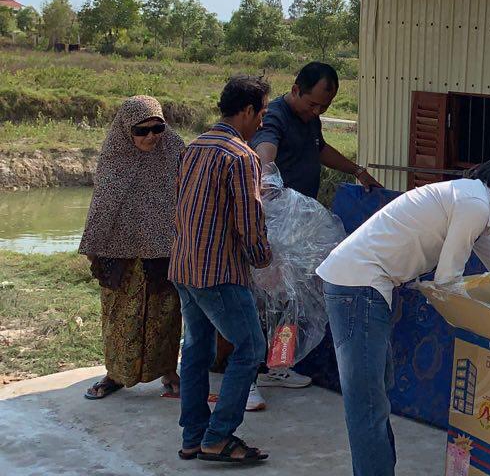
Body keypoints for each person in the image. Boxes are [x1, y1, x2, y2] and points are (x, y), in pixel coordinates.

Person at [315, 150, 490, 476]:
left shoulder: (471, 201)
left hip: (362, 286)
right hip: (358, 288)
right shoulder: (474, 205)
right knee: (367, 403)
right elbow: (447, 281)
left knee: (375, 395)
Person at [248, 61, 381, 391]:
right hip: (275, 230)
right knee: (269, 301)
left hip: (299, 233)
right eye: (312, 104)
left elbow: (319, 149)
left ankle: (279, 365)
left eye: (324, 106)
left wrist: (357, 170)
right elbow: (265, 149)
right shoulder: (276, 116)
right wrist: (266, 177)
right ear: (295, 90)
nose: (317, 111)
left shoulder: (309, 119)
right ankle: (252, 372)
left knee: (294, 301)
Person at [169, 76, 274, 464]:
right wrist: (264, 261)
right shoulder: (242, 156)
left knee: (197, 349)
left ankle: (193, 437)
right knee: (251, 348)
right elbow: (250, 222)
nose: (262, 122)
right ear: (246, 111)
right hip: (217, 272)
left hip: (184, 266)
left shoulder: (194, 147)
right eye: (261, 113)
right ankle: (218, 436)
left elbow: (179, 205)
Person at [79, 96, 184, 401]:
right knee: (119, 317)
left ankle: (168, 371)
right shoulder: (115, 156)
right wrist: (94, 246)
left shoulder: (175, 150)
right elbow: (102, 206)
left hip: (164, 250)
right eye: (142, 130)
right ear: (126, 129)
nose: (151, 136)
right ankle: (115, 374)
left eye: (157, 128)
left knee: (165, 314)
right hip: (120, 254)